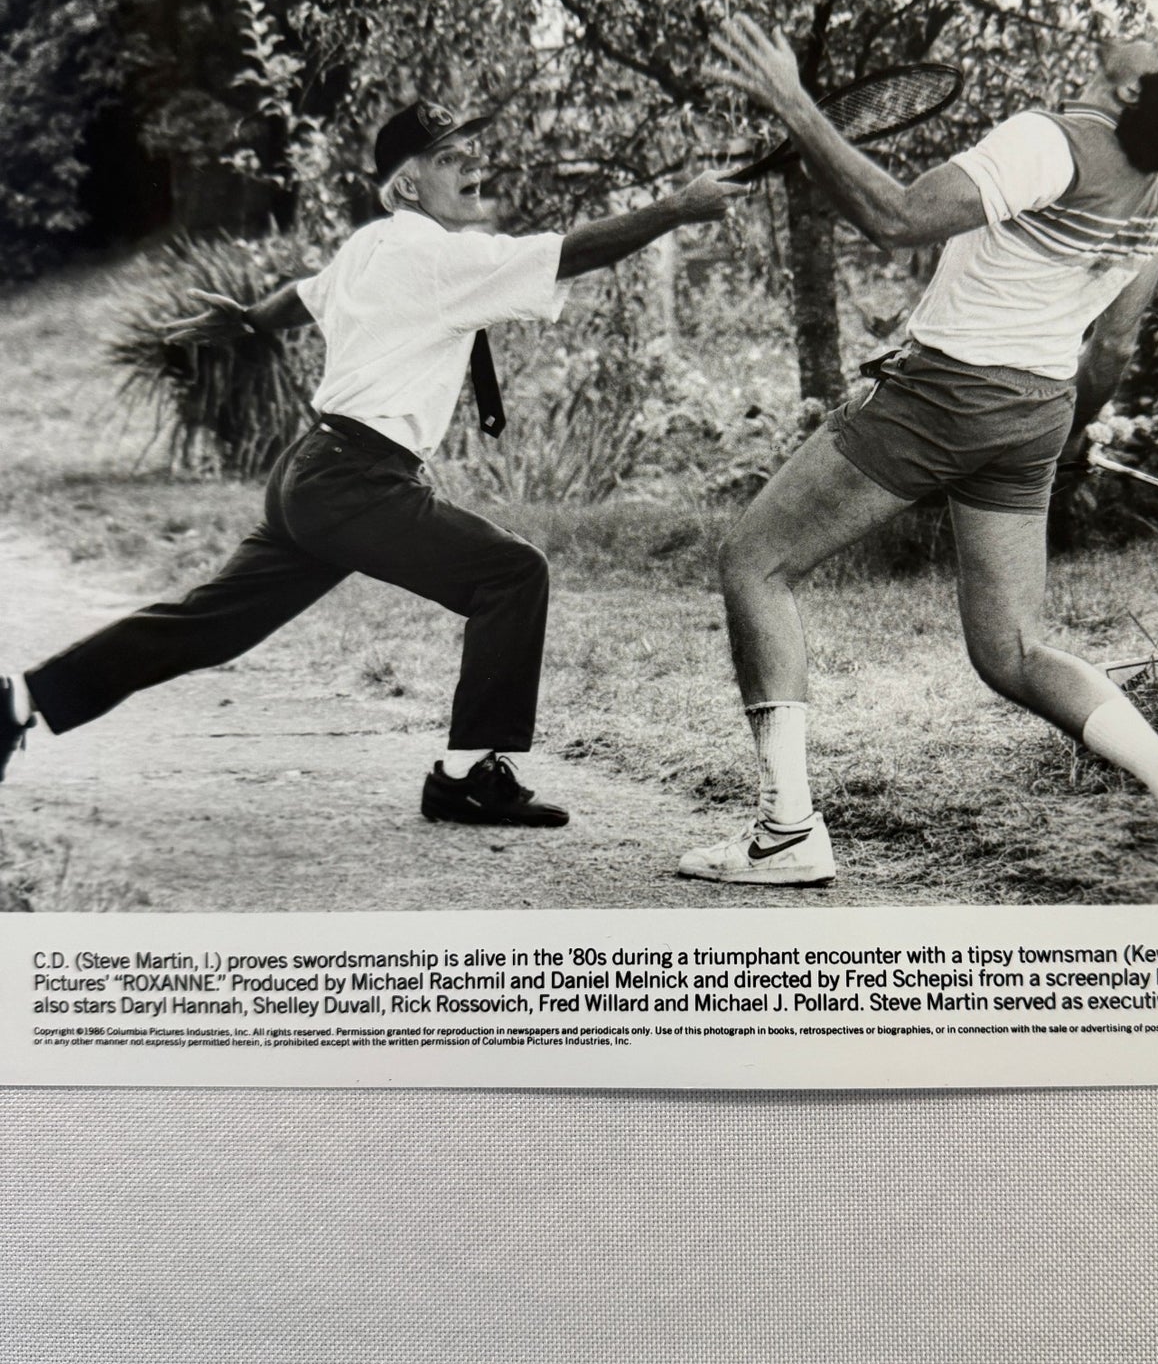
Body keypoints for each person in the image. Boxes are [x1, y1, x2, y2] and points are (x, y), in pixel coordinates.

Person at [1, 100, 743, 826]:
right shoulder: (437, 255)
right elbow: (573, 252)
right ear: (408, 184)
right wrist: (676, 208)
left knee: (208, 625)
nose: (473, 167)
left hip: (311, 475)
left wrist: (251, 319)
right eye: (449, 158)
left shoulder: (371, 245)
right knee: (511, 574)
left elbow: (304, 297)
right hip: (355, 481)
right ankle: (465, 778)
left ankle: (21, 700)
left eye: (472, 152)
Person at [679, 16, 1158, 885]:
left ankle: (785, 832)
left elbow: (895, 218)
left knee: (755, 561)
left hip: (944, 396)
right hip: (1035, 414)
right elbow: (1110, 349)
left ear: (1134, 87)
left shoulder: (1046, 142)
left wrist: (794, 102)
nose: (1150, 29)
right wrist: (1064, 442)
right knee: (1013, 652)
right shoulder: (1154, 197)